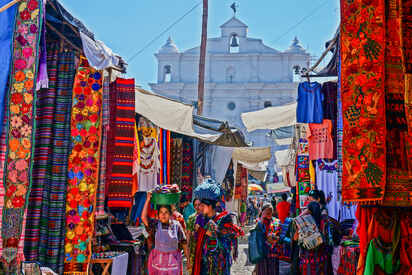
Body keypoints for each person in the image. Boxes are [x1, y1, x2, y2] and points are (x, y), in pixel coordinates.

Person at [142, 192, 190, 274]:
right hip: (158, 263)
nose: (163, 215)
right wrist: (147, 200)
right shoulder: (155, 224)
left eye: (166, 212)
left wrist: (188, 259)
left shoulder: (176, 225)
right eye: (161, 212)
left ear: (170, 214)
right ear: (158, 214)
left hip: (173, 263)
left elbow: (184, 243)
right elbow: (143, 218)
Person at [192, 198, 243, 275]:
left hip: (219, 263)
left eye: (202, 206)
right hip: (205, 262)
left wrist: (204, 231)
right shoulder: (201, 219)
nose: (200, 208)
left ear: (210, 207)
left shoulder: (223, 219)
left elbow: (220, 236)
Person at [255, 204, 280, 275]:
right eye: (267, 213)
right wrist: (262, 218)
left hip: (273, 253)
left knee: (273, 271)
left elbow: (279, 235)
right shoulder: (259, 223)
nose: (269, 214)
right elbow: (256, 237)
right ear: (263, 212)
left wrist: (275, 238)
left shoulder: (276, 222)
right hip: (262, 253)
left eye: (271, 212)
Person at [187, 198, 203, 275]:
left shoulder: (205, 217)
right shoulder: (191, 218)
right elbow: (188, 237)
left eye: (199, 204)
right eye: (195, 205)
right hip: (194, 250)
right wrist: (187, 257)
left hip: (203, 250)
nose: (197, 207)